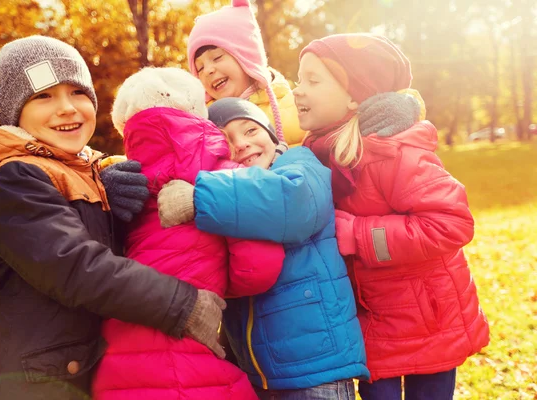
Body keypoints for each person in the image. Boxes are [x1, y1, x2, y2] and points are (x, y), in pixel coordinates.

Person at [0, 36, 227, 400]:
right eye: (43, 96)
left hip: (68, 369)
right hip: (24, 380)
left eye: (77, 93)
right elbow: (76, 266)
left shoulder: (82, 168)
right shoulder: (12, 178)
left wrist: (103, 196)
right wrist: (183, 304)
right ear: (14, 112)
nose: (67, 108)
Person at [291, 33, 489, 400]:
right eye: (297, 80)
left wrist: (360, 235)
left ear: (355, 95)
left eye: (312, 81)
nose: (297, 90)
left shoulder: (393, 152)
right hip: (371, 323)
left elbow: (451, 223)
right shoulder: (317, 153)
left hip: (427, 326)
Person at [157, 97, 370, 400]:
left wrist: (199, 197)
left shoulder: (299, 165)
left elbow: (293, 207)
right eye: (226, 139)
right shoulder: (229, 192)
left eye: (250, 130)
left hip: (315, 366)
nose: (242, 144)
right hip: (254, 372)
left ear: (271, 135)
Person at [91, 67, 285, 399]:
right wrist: (220, 284)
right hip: (187, 353)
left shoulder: (126, 184)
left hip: (116, 360)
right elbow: (260, 268)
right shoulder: (226, 176)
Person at [187, 0, 421, 148]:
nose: (208, 70)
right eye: (199, 67)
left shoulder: (294, 104)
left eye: (217, 58)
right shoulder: (203, 123)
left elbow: (351, 112)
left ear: (246, 55)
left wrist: (403, 104)